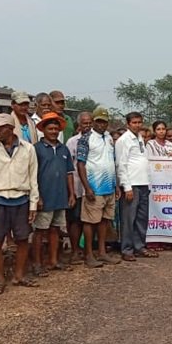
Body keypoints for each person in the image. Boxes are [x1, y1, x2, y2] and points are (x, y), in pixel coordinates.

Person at [0, 113, 40, 294]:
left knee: (22, 239)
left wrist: (33, 204)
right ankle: (0, 280)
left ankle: (19, 275)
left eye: (0, 129)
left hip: (21, 199)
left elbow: (33, 178)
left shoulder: (28, 149)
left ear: (11, 129)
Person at [76, 106, 121, 268]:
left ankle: (102, 253)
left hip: (109, 187)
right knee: (90, 222)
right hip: (94, 188)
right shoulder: (86, 138)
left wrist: (116, 185)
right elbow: (80, 164)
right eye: (99, 121)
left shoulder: (109, 137)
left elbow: (112, 162)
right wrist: (87, 187)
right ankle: (88, 255)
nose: (102, 125)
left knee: (105, 220)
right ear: (94, 121)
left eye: (104, 122)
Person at [31, 112, 75, 276]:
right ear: (43, 130)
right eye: (50, 128)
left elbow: (69, 173)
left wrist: (71, 194)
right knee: (40, 231)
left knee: (56, 229)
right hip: (44, 196)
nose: (54, 131)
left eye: (56, 129)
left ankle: (53, 260)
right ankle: (37, 263)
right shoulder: (37, 149)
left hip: (60, 195)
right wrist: (37, 196)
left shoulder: (64, 149)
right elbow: (33, 174)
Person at [116, 112, 156, 261]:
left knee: (141, 218)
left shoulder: (140, 138)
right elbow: (121, 165)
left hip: (143, 183)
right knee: (128, 219)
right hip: (132, 184)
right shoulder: (123, 140)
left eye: (139, 122)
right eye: (134, 122)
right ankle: (127, 249)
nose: (137, 125)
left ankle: (139, 246)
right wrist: (127, 187)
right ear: (128, 124)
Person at [65, 111, 93, 264]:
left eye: (89, 123)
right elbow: (69, 167)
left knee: (88, 220)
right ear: (79, 125)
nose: (87, 126)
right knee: (75, 219)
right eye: (84, 123)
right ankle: (75, 251)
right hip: (77, 186)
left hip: (93, 185)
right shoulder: (72, 142)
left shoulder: (97, 139)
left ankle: (87, 250)